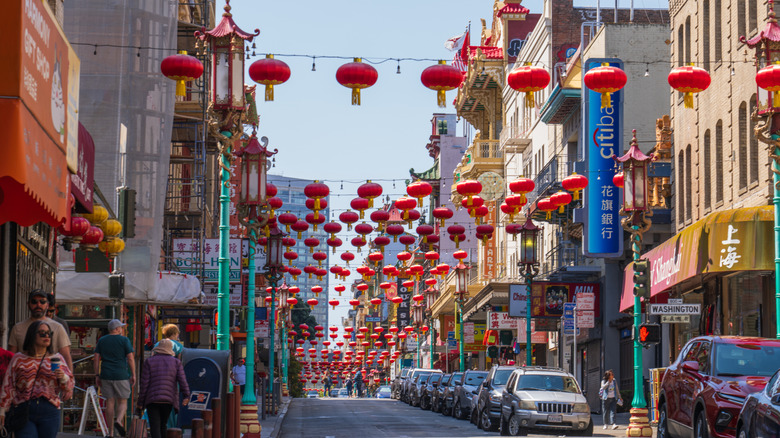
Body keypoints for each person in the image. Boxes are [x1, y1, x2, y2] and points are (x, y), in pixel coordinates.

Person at [0, 320, 74, 438]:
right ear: (32, 335)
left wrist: (63, 377)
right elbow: (9, 384)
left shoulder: (56, 358)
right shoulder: (19, 358)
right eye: (42, 333)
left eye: (49, 333)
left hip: (49, 409)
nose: (46, 336)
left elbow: (69, 386)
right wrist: (2, 409)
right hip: (24, 408)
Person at [9, 289, 73, 373]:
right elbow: (11, 359)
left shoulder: (58, 327)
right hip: (25, 380)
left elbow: (66, 357)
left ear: (47, 305)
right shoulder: (17, 328)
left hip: (51, 380)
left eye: (42, 302)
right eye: (34, 301)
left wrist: (69, 381)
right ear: (28, 304)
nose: (38, 305)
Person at [137, 340, 191, 438]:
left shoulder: (149, 361)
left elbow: (144, 384)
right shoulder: (176, 362)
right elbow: (182, 380)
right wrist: (186, 395)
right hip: (168, 399)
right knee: (163, 424)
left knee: (155, 426)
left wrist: (140, 402)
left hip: (152, 399)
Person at [95, 319, 136, 438]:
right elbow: (130, 358)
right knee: (123, 401)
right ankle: (118, 420)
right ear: (117, 329)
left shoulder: (102, 340)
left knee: (110, 402)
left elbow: (96, 358)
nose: (122, 329)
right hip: (121, 374)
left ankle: (110, 432)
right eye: (121, 328)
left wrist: (97, 375)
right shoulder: (124, 340)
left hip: (106, 374)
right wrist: (133, 374)